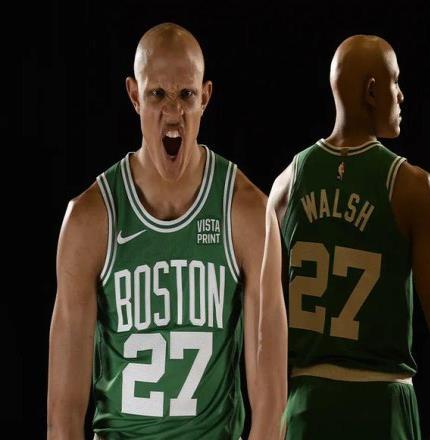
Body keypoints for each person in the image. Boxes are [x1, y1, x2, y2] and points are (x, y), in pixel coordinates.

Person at [47, 23, 286, 440]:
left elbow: (271, 405)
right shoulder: (91, 218)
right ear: (134, 95)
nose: (173, 111)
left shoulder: (246, 212)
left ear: (205, 97)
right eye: (157, 94)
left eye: (186, 95)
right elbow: (63, 415)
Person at [263, 35, 430, 439]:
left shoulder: (285, 186)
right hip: (380, 409)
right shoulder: (411, 188)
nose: (401, 95)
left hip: (304, 411)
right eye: (395, 81)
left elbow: (263, 331)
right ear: (372, 91)